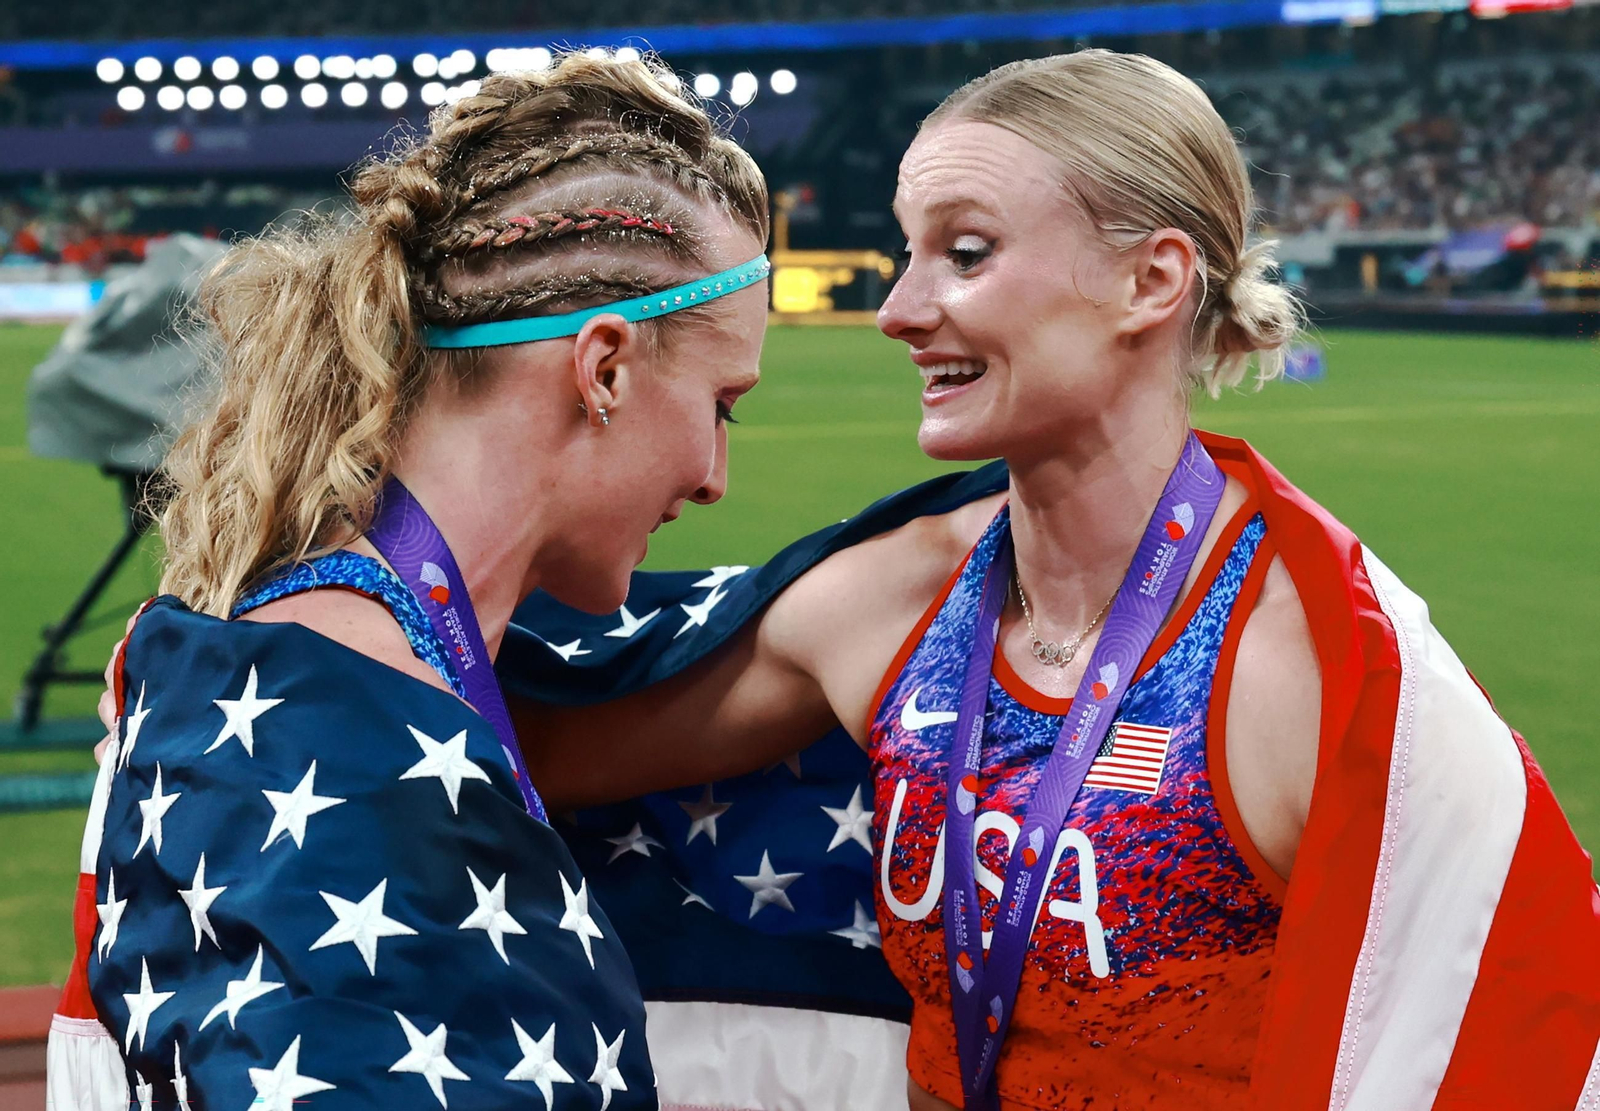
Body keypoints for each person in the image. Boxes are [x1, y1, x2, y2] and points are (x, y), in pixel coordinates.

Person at [501, 50, 1600, 1110]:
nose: (898, 308)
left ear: (1151, 280)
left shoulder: (1307, 669)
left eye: (965, 254)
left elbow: (1496, 1023)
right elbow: (518, 752)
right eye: (906, 253)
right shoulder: (890, 599)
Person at [49, 52, 770, 1111]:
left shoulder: (318, 647)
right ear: (603, 366)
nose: (715, 477)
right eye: (723, 402)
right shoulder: (342, 727)